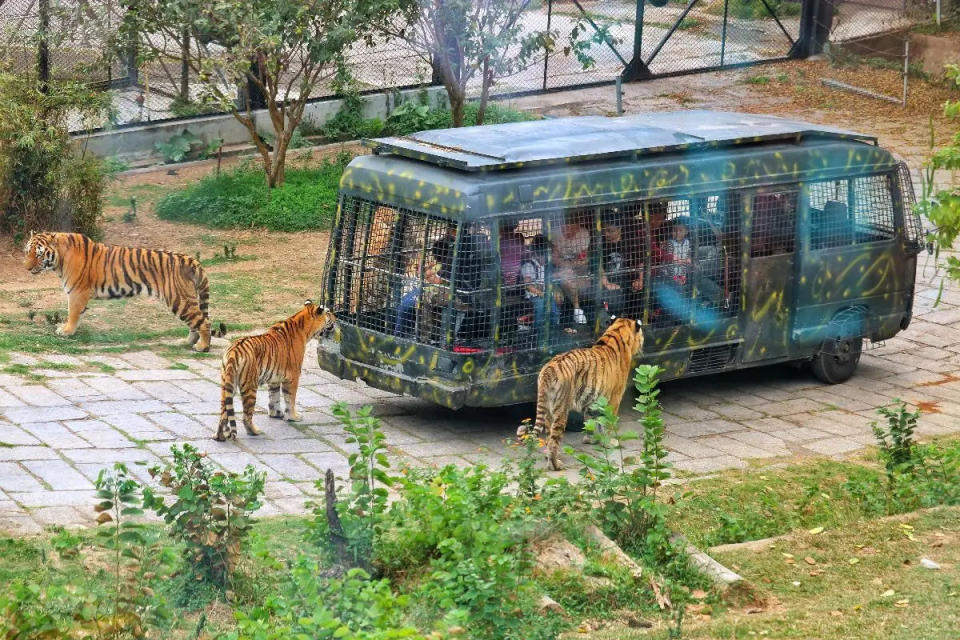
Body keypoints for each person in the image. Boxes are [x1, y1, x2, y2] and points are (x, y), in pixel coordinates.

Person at [600, 211, 644, 317]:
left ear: (619, 229)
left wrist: (640, 280)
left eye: (610, 231)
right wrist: (606, 284)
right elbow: (598, 265)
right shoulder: (601, 243)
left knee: (639, 297)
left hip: (627, 280)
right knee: (615, 300)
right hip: (609, 282)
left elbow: (640, 262)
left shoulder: (630, 242)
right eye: (604, 230)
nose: (606, 234)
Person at [552, 212, 592, 325]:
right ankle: (577, 309)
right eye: (565, 228)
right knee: (566, 279)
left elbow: (585, 258)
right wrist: (565, 265)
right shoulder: (556, 233)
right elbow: (554, 259)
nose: (567, 231)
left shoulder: (583, 234)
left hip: (579, 270)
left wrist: (573, 265)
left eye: (571, 228)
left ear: (578, 226)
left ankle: (576, 310)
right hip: (561, 270)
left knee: (572, 280)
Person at [520, 234, 560, 332]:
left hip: (546, 293)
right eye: (544, 256)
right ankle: (538, 330)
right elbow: (528, 285)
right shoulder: (529, 265)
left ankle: (553, 329)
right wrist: (541, 293)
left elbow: (550, 278)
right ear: (537, 254)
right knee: (541, 305)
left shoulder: (545, 265)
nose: (546, 259)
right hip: (534, 295)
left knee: (554, 311)